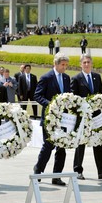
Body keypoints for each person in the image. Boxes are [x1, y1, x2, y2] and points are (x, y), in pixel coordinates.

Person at [71, 54, 102, 180]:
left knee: (99, 143)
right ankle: (78, 171)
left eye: (88, 62)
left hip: (97, 117)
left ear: (92, 63)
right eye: (84, 62)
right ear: (80, 64)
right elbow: (74, 99)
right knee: (81, 144)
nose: (86, 64)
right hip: (83, 117)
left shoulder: (97, 77)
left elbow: (101, 94)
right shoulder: (76, 78)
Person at [33, 53, 70, 186]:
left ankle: (57, 175)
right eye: (62, 65)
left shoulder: (66, 78)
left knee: (61, 147)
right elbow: (37, 95)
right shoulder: (46, 77)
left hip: (63, 119)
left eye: (66, 65)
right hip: (49, 118)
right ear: (56, 64)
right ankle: (38, 169)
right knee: (48, 145)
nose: (64, 67)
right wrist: (51, 105)